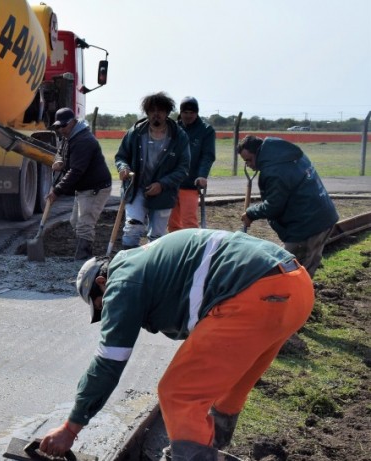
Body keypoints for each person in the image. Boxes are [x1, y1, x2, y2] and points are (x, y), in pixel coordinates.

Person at [38, 229, 314, 460]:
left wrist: (70, 428)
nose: (107, 311)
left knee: (178, 393)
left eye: (101, 305)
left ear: (102, 282)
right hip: (295, 289)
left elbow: (109, 361)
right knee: (227, 390)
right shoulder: (146, 261)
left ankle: (193, 455)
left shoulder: (122, 282)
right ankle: (205, 448)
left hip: (255, 295)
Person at [238, 135, 338, 277]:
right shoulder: (285, 154)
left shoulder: (275, 171)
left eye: (249, 159)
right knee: (302, 266)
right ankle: (300, 295)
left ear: (259, 152)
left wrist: (250, 213)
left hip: (308, 224)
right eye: (245, 161)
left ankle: (297, 297)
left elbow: (273, 206)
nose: (248, 164)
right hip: (321, 216)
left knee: (292, 271)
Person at [115, 92, 190, 249]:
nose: (156, 114)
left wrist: (162, 184)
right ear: (147, 112)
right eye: (152, 110)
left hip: (164, 193)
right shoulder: (135, 133)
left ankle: (152, 267)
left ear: (167, 113)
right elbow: (121, 156)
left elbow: (183, 168)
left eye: (161, 110)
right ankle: (128, 264)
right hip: (135, 188)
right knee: (132, 227)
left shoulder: (179, 137)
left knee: (157, 236)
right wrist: (123, 168)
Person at [46, 107, 112, 260]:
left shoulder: (83, 140)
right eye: (58, 126)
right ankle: (84, 255)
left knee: (84, 224)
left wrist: (57, 191)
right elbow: (60, 153)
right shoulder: (68, 137)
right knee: (74, 221)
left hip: (95, 188)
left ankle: (82, 259)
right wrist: (59, 160)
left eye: (64, 125)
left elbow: (76, 171)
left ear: (74, 122)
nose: (61, 129)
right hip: (83, 187)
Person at [168, 96, 215, 231]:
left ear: (197, 113)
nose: (188, 116)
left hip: (190, 183)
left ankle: (192, 248)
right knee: (171, 221)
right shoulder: (174, 128)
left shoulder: (205, 130)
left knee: (189, 221)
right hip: (171, 182)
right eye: (185, 112)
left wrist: (202, 175)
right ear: (180, 112)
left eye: (192, 113)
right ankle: (175, 248)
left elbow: (207, 156)